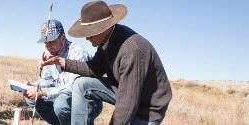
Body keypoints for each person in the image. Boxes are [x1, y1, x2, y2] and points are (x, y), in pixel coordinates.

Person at [41, 1, 172, 125]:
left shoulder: (131, 49)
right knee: (81, 84)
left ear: (102, 29)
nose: (86, 38)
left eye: (89, 33)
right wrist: (61, 61)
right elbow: (93, 68)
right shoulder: (106, 42)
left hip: (146, 107)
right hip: (123, 89)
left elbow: (127, 103)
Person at [23, 19, 101, 125]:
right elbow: (47, 81)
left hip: (87, 100)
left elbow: (73, 88)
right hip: (63, 96)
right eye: (46, 43)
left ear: (62, 37)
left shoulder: (77, 52)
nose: (48, 46)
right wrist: (33, 86)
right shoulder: (48, 53)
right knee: (33, 99)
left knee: (61, 104)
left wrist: (43, 92)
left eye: (52, 41)